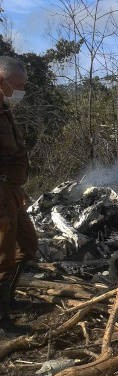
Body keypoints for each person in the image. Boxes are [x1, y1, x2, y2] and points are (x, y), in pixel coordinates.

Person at [0, 56, 37, 337]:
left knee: (27, 245)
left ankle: (9, 300)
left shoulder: (4, 108)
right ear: (2, 79)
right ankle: (2, 320)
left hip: (11, 190)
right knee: (3, 254)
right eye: (19, 85)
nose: (21, 91)